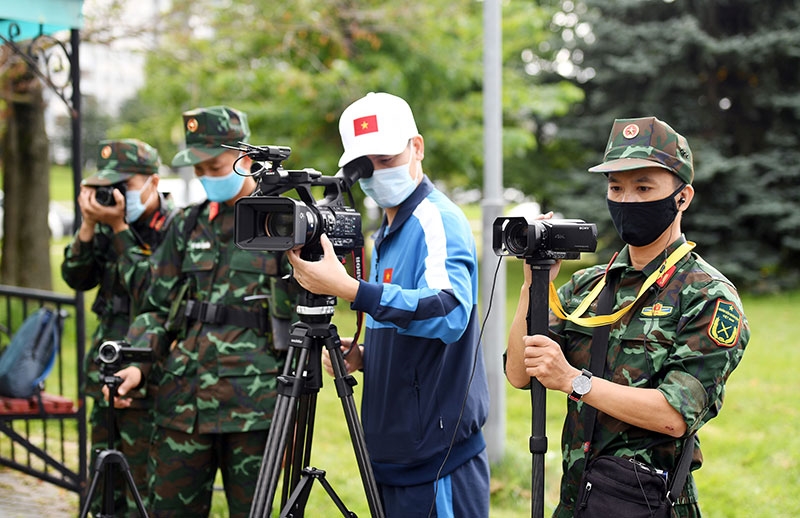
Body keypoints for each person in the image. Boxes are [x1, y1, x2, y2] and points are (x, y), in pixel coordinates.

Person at [505, 116, 750, 517]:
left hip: (646, 504)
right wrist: (534, 286)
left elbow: (674, 415)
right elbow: (519, 372)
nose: (627, 200)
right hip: (577, 501)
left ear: (682, 197)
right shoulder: (588, 286)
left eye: (643, 187)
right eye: (616, 187)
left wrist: (572, 380)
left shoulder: (708, 296)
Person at [287, 92, 490, 517]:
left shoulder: (436, 220)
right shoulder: (386, 228)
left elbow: (449, 310)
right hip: (394, 456)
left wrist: (352, 290)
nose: (377, 174)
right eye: (365, 166)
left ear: (416, 147)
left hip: (438, 463)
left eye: (386, 158)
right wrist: (364, 355)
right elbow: (403, 319)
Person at [110, 106, 294, 517]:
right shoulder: (186, 225)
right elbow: (156, 305)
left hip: (256, 408)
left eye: (215, 166)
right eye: (200, 169)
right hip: (183, 402)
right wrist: (138, 363)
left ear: (246, 159)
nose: (208, 177)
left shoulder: (282, 223)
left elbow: (307, 312)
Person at [61, 138, 175, 515]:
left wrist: (120, 228)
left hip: (150, 372)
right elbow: (77, 278)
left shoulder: (173, 228)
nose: (116, 193)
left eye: (125, 184)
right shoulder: (107, 224)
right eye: (109, 185)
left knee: (142, 486)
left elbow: (151, 294)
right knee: (102, 481)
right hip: (105, 367)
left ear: (153, 182)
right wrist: (89, 227)